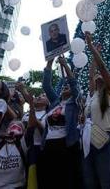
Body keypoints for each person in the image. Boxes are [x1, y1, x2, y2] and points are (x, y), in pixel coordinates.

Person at [83, 32, 110, 189]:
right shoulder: (92, 95)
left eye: (100, 75)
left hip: (106, 141)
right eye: (96, 74)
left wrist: (91, 48)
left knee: (107, 183)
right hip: (87, 143)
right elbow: (92, 75)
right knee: (90, 183)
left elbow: (102, 68)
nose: (98, 75)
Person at [41, 56, 82, 189]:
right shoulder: (55, 102)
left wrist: (65, 65)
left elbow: (74, 84)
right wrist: (50, 60)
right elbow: (46, 85)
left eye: (67, 86)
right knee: (49, 180)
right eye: (63, 86)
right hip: (48, 144)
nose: (65, 87)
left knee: (64, 180)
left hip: (65, 145)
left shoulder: (74, 103)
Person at [0, 96, 36, 189]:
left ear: (23, 132)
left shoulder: (22, 145)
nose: (15, 127)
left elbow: (31, 127)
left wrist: (32, 106)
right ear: (6, 130)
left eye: (19, 127)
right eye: (12, 126)